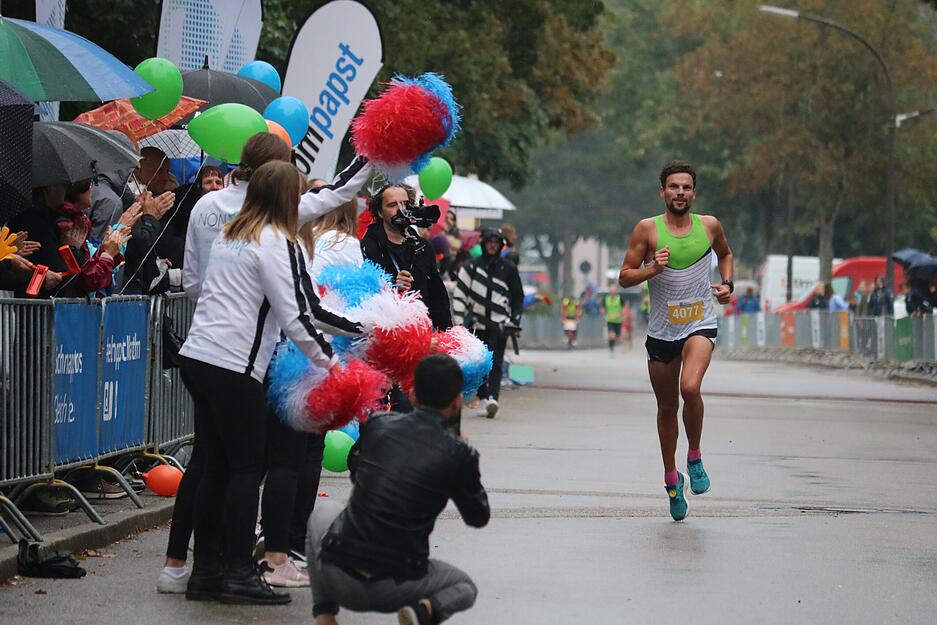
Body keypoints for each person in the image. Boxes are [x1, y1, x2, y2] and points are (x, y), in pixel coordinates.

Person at [160, 138, 370, 594]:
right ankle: (238, 571)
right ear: (286, 199)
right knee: (245, 470)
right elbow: (300, 315)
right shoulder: (277, 241)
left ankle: (205, 571)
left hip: (199, 357)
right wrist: (335, 361)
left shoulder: (233, 232)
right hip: (234, 366)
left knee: (215, 466)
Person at [306, 354, 489, 625]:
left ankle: (324, 614)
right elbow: (478, 517)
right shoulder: (458, 453)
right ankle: (422, 610)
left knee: (323, 511)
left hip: (338, 574)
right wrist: (466, 456)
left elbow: (357, 473)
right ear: (458, 402)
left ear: (412, 396)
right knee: (464, 587)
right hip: (397, 585)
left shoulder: (379, 425)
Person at [617, 160, 733, 522]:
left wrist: (727, 284)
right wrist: (653, 268)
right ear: (662, 192)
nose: (679, 193)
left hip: (700, 322)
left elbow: (726, 254)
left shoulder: (709, 226)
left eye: (686, 187)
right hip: (662, 331)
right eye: (673, 187)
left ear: (693, 193)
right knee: (667, 408)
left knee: (690, 387)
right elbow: (624, 277)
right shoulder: (647, 230)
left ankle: (694, 456)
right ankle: (672, 480)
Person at [452, 228, 524, 418]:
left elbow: (518, 296)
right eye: (489, 242)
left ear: (501, 245)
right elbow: (460, 295)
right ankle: (484, 397)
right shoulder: (471, 267)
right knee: (478, 364)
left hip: (499, 324)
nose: (492, 245)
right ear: (483, 244)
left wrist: (515, 319)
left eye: (496, 242)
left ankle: (493, 399)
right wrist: (459, 324)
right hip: (476, 324)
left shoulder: (509, 269)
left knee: (496, 362)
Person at [360, 185, 452, 330]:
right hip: (384, 331)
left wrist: (447, 334)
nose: (401, 209)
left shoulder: (423, 246)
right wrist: (393, 288)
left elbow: (437, 295)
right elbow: (364, 295)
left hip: (421, 332)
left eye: (405, 203)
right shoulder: (367, 246)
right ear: (380, 212)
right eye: (392, 205)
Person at [601, 283, 625, 355]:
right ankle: (611, 348)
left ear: (616, 291)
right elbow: (603, 308)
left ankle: (612, 345)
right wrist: (603, 312)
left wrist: (623, 315)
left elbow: (624, 308)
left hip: (618, 321)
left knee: (616, 337)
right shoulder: (606, 299)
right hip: (610, 321)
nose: (612, 292)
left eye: (614, 290)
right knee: (612, 335)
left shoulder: (619, 298)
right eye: (611, 290)